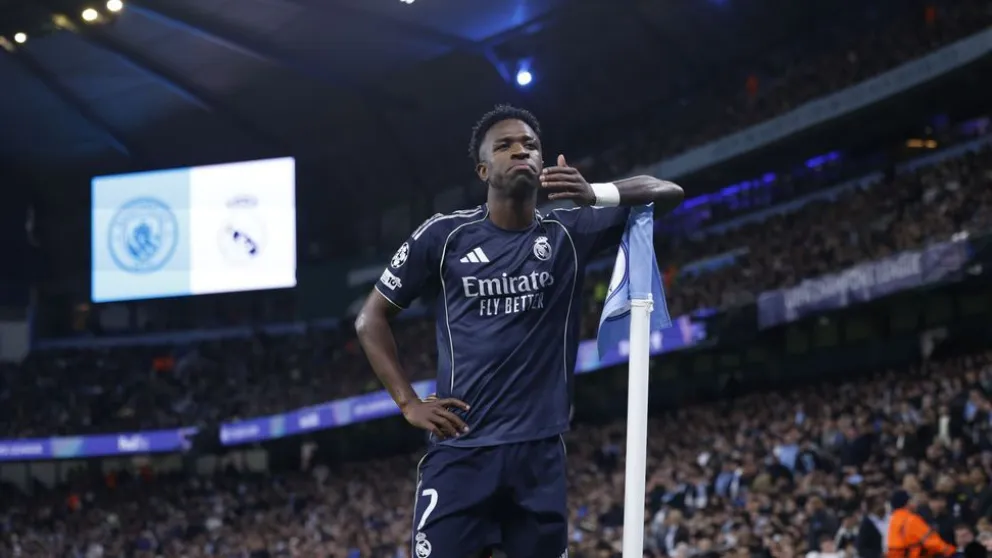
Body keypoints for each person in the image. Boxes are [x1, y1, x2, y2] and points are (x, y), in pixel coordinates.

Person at [355, 104, 684, 557]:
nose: (521, 152)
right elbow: (369, 319)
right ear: (483, 169)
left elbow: (667, 191)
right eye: (505, 146)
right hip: (462, 452)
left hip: (539, 458)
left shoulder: (570, 231)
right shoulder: (444, 236)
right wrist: (407, 402)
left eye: (530, 145)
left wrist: (598, 193)